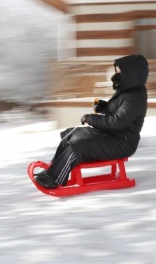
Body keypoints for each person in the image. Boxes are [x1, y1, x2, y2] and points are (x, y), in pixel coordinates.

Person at [35, 54, 149, 189]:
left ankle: (54, 179)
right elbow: (118, 112)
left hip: (121, 142)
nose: (117, 74)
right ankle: (53, 169)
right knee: (69, 134)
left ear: (131, 73)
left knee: (79, 146)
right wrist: (103, 106)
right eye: (116, 70)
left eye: (119, 71)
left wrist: (91, 119)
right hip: (111, 135)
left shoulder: (135, 97)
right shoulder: (127, 91)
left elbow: (116, 122)